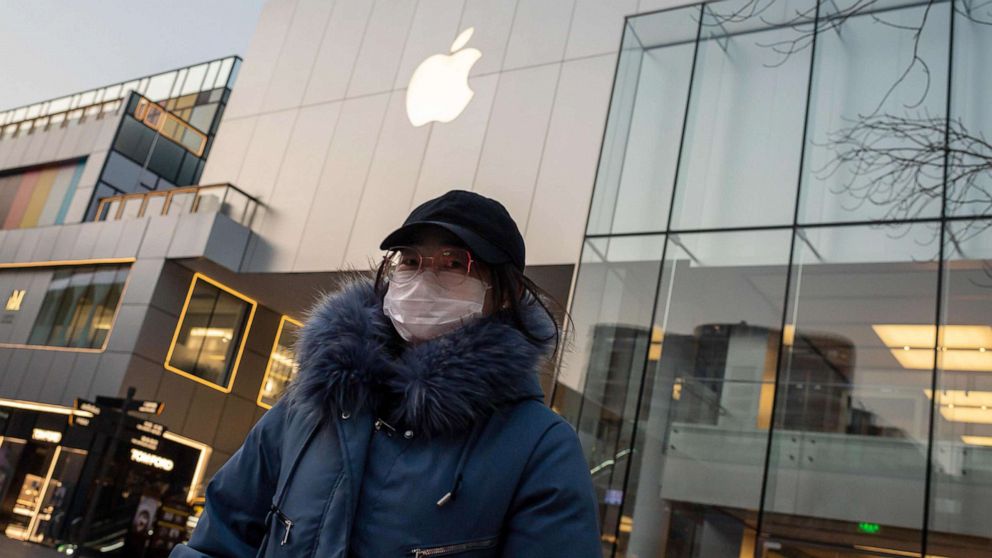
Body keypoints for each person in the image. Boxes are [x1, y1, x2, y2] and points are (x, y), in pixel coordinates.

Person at [170, 190, 600, 557]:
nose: (423, 278)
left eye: (454, 264)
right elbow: (221, 533)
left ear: (505, 293)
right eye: (410, 261)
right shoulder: (315, 402)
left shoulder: (539, 446)